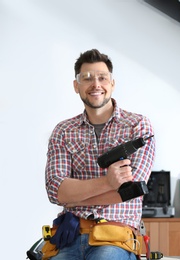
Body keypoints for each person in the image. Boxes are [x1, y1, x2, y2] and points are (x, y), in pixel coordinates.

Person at [43, 49, 155, 260]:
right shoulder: (63, 131)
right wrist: (109, 181)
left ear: (112, 83)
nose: (96, 84)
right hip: (69, 236)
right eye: (87, 78)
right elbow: (55, 191)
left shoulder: (137, 126)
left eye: (102, 78)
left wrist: (73, 200)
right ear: (76, 86)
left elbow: (133, 189)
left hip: (116, 238)